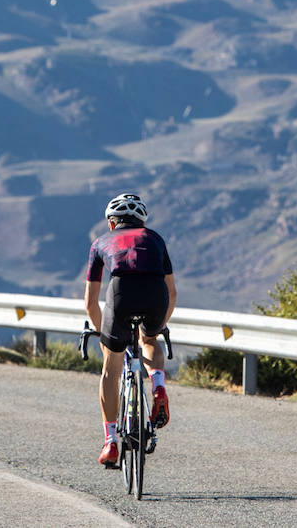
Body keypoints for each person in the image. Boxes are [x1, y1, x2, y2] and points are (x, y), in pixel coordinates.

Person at [84, 192, 177, 467]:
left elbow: (91, 302)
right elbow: (171, 291)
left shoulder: (100, 242)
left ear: (112, 223)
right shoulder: (155, 239)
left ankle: (111, 442)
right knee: (149, 340)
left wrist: (107, 337)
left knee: (110, 370)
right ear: (142, 222)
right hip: (155, 293)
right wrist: (159, 326)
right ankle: (158, 386)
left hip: (121, 293)